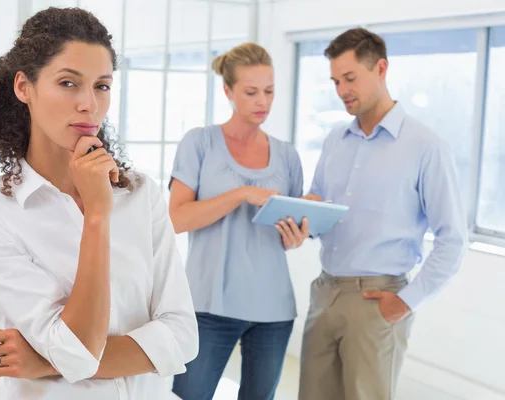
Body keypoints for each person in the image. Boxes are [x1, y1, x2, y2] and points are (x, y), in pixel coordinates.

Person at [0, 7, 198, 399]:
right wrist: (98, 214)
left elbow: (183, 336)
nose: (89, 104)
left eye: (102, 86)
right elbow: (80, 353)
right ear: (23, 87)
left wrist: (49, 360)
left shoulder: (141, 194)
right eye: (68, 83)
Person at [298, 27, 468, 400]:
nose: (342, 90)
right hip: (325, 292)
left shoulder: (426, 146)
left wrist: (406, 301)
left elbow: (453, 239)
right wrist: (304, 218)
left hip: (379, 300)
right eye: (335, 80)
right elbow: (322, 207)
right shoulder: (334, 140)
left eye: (350, 78)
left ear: (381, 69)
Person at [170, 42, 309, 400]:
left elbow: (286, 231)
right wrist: (241, 194)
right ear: (228, 91)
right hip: (208, 307)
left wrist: (295, 237)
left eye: (269, 91)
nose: (262, 101)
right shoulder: (199, 143)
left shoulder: (287, 156)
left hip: (273, 310)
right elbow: (176, 219)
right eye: (251, 92)